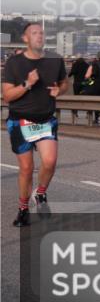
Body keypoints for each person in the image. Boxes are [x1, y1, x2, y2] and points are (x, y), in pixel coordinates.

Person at [1, 23, 68, 227]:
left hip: (46, 120)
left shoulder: (55, 60)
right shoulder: (14, 63)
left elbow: (65, 82)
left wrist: (60, 90)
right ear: (25, 38)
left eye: (41, 32)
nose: (39, 36)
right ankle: (23, 209)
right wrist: (27, 84)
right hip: (20, 121)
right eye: (34, 33)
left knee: (49, 162)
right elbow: (7, 96)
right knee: (27, 168)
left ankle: (40, 194)